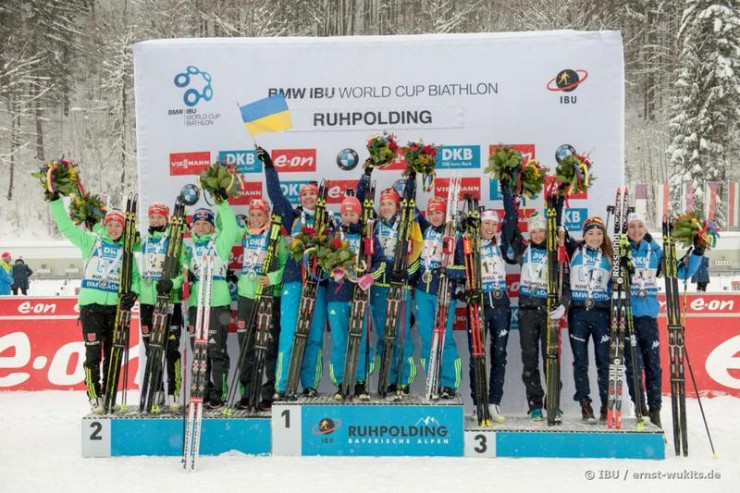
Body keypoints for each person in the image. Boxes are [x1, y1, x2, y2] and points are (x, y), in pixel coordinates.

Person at [48, 196, 140, 413]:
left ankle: (109, 395)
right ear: (104, 226)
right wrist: (55, 202)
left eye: (118, 225)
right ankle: (94, 395)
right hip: (91, 307)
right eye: (110, 225)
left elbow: (135, 277)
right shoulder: (91, 242)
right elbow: (68, 229)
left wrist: (133, 293)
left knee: (112, 354)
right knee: (93, 354)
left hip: (116, 308)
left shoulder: (126, 251)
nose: (114, 229)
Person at [258, 147, 331, 398]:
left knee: (313, 336)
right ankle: (282, 385)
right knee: (289, 335)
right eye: (305, 194)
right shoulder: (292, 216)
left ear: (319, 197)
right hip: (293, 282)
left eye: (313, 193)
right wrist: (269, 167)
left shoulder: (329, 221)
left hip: (318, 284)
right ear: (301, 198)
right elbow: (276, 196)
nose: (309, 197)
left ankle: (309, 384)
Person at [624, 211, 702, 427]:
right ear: (627, 230)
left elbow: (680, 272)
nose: (636, 230)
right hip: (627, 316)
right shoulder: (620, 249)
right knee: (633, 364)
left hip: (648, 316)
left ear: (646, 228)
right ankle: (640, 407)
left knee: (652, 365)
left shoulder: (656, 251)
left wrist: (697, 253)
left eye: (640, 226)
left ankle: (655, 408)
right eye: (632, 227)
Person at [505, 190, 570, 422]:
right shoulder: (523, 250)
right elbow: (509, 228)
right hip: (527, 314)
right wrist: (509, 196)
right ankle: (535, 405)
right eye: (534, 231)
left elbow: (567, 282)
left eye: (542, 230)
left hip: (549, 312)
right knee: (530, 361)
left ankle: (553, 402)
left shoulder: (556, 251)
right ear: (529, 233)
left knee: (551, 359)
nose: (539, 234)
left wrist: (563, 303)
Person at [357, 165, 417, 397]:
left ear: (397, 205)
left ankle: (403, 380)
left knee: (401, 336)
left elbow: (417, 256)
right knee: (384, 337)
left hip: (400, 286)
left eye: (389, 203)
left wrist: (406, 273)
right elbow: (361, 199)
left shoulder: (408, 224)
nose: (385, 207)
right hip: (380, 287)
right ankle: (387, 379)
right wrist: (366, 175)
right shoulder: (372, 224)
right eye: (382, 204)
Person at [328, 196, 385, 401]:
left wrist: (370, 278)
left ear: (359, 215)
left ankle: (360, 382)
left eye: (353, 213)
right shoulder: (335, 234)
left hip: (360, 295)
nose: (349, 217)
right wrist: (332, 271)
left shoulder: (367, 236)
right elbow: (324, 260)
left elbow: (381, 263)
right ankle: (342, 383)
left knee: (360, 340)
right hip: (337, 295)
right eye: (345, 213)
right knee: (340, 341)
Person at [184, 202, 239, 409]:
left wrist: (223, 203)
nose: (200, 227)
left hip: (217, 304)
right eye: (197, 224)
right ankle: (201, 393)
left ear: (212, 226)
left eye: (205, 224)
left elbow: (232, 228)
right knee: (199, 352)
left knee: (216, 351)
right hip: (196, 305)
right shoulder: (189, 250)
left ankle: (218, 395)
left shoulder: (220, 244)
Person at [466, 205, 517, 424]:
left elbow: (512, 219)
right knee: (477, 356)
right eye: (486, 223)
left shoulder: (502, 246)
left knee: (499, 356)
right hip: (478, 305)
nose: (489, 227)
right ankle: (479, 403)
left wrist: (508, 190)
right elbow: (460, 269)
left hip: (500, 306)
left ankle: (494, 402)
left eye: (493, 224)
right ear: (479, 225)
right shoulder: (469, 245)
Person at [234, 198, 287, 410]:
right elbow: (225, 226)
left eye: (259, 215)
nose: (255, 219)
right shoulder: (244, 234)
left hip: (267, 296)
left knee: (268, 347)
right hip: (246, 297)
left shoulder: (275, 237)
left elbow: (285, 264)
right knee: (246, 346)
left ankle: (268, 392)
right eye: (252, 215)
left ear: (267, 216)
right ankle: (247, 393)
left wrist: (272, 279)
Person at [413, 196, 465, 399]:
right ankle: (432, 380)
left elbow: (464, 269)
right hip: (422, 291)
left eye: (438, 212)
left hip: (444, 291)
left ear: (445, 214)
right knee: (427, 339)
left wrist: (448, 270)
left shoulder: (455, 236)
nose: (435, 216)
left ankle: (449, 384)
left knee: (445, 338)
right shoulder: (424, 230)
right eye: (431, 212)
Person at [563, 217, 613, 422]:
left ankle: (605, 405)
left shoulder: (610, 255)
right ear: (584, 235)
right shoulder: (573, 249)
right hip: (578, 314)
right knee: (581, 362)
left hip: (601, 313)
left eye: (599, 233)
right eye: (591, 233)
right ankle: (585, 404)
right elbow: (559, 229)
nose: (595, 237)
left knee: (603, 362)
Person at [138, 203, 185, 411]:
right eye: (153, 217)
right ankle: (156, 391)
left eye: (160, 217)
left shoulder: (175, 242)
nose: (156, 221)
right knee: (152, 350)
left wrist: (173, 283)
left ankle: (175, 392)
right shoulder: (143, 242)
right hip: (148, 302)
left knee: (172, 350)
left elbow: (186, 270)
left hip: (169, 301)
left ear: (167, 220)